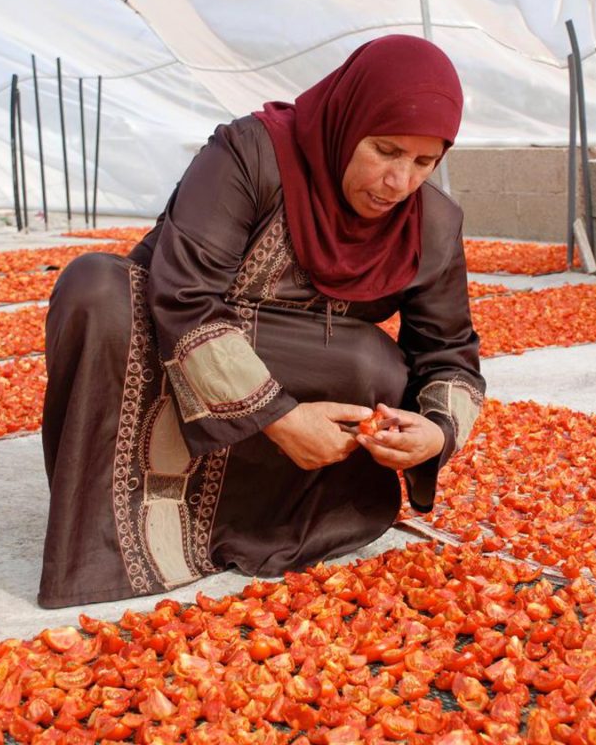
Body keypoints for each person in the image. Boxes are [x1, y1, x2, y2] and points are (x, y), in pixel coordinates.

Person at [39, 34, 485, 609]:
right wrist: (276, 416)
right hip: (180, 361)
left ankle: (272, 521)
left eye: (425, 162)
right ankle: (118, 526)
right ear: (348, 122)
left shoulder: (430, 225)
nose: (399, 182)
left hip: (307, 464)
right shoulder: (251, 153)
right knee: (96, 288)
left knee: (370, 361)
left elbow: (450, 355)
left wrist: (436, 435)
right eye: (385, 150)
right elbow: (185, 293)